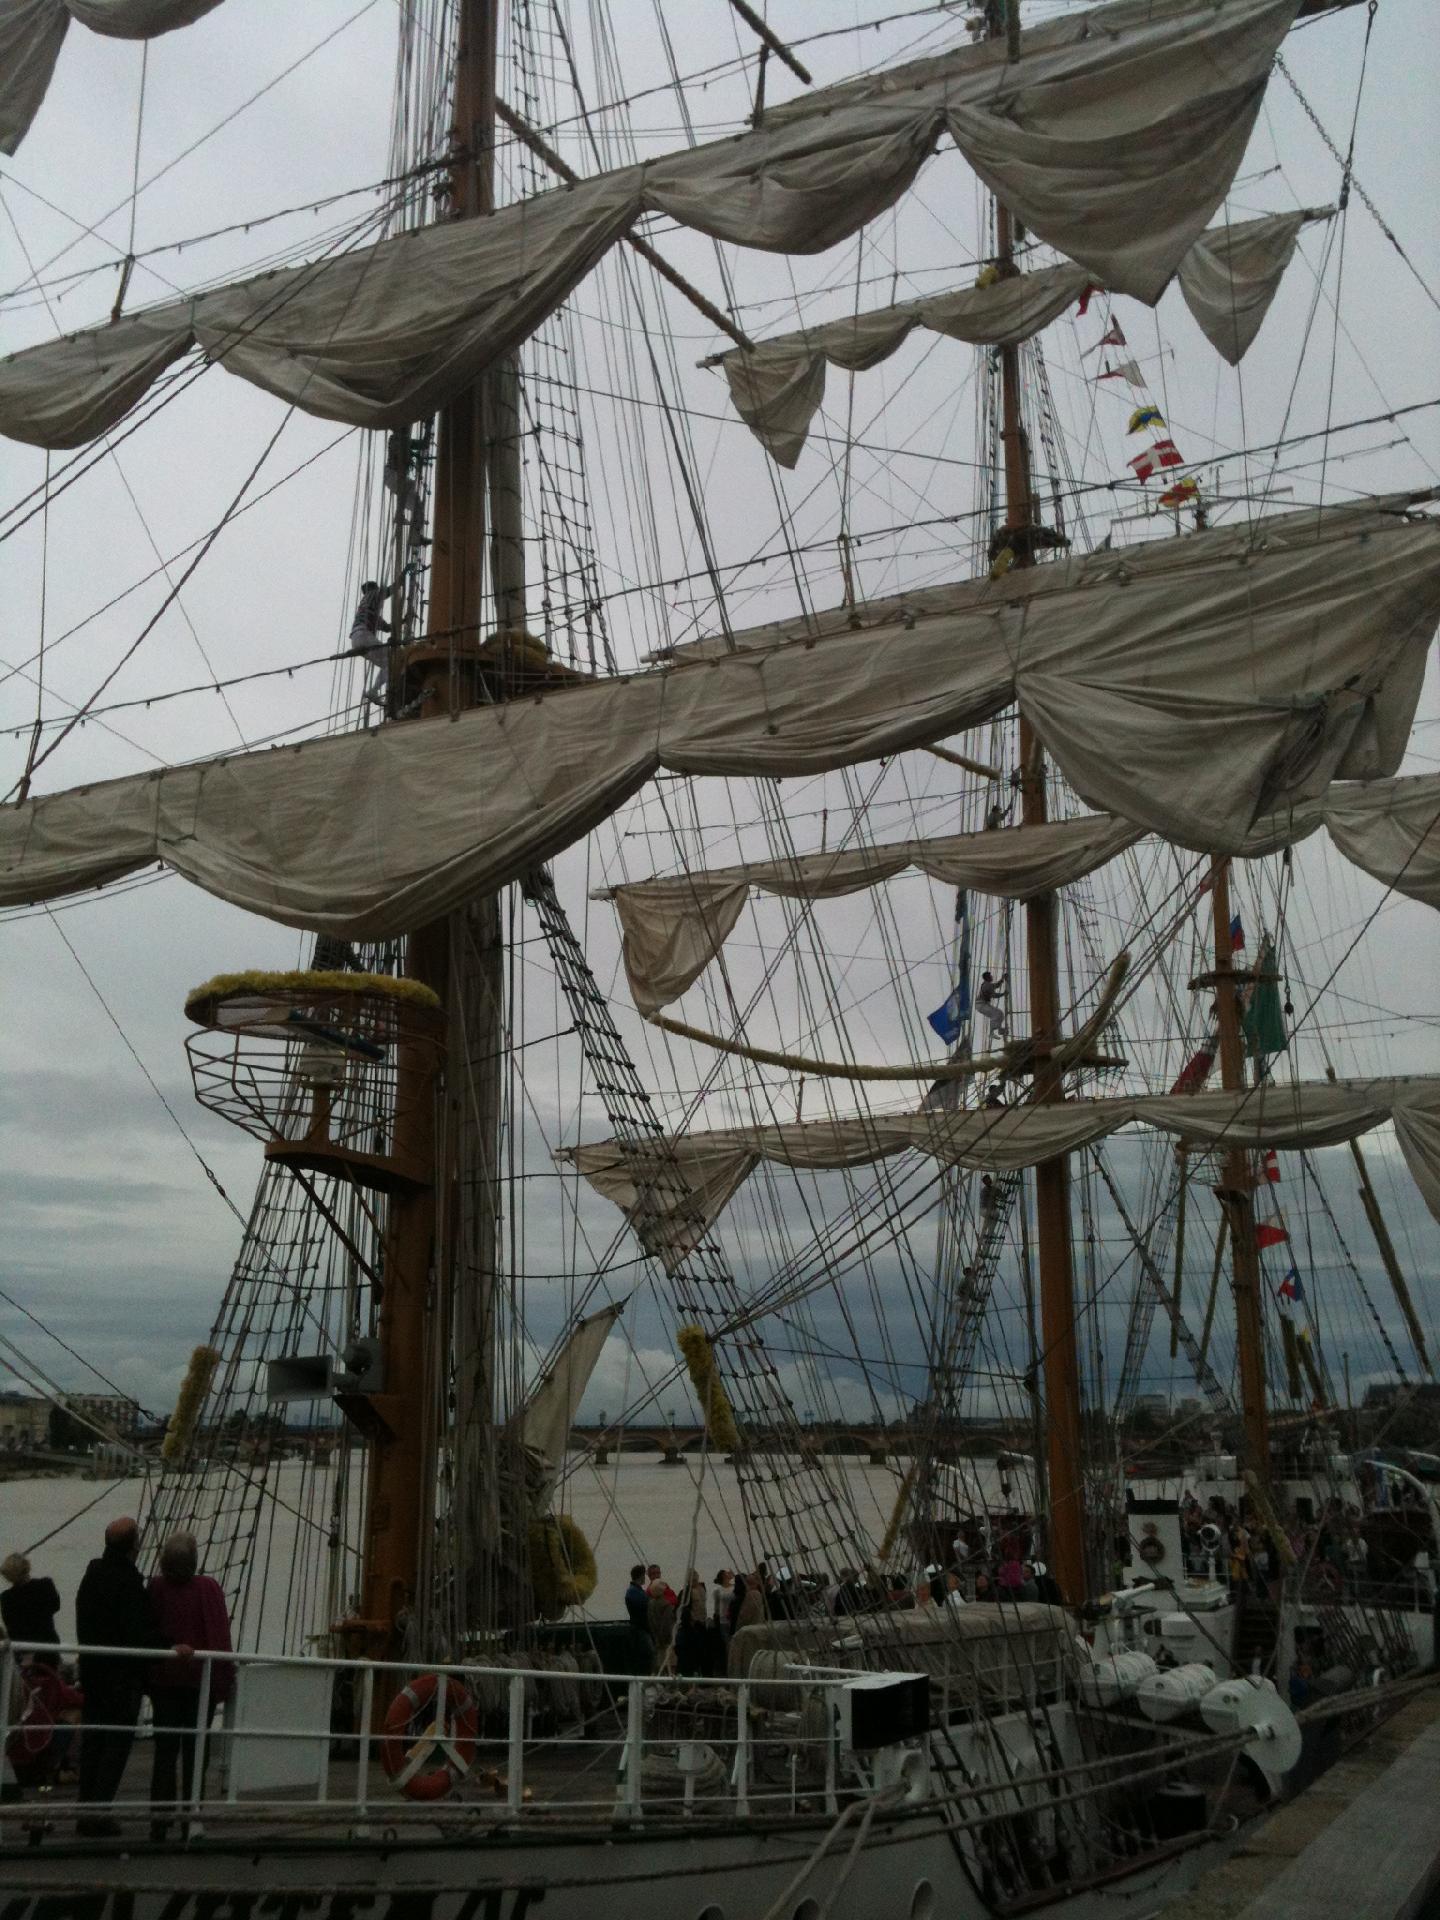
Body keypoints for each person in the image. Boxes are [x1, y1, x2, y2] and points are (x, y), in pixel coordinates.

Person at [75, 1517, 187, 1837]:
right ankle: (98, 1814)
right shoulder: (127, 1583)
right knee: (116, 1745)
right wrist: (168, 1646)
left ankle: (84, 1811)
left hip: (93, 1674)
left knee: (94, 1744)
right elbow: (137, 1633)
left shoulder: (92, 1576)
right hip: (121, 1679)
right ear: (134, 1546)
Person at [147, 1531, 233, 1838]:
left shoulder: (155, 1588)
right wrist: (224, 1679)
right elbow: (220, 1636)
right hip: (199, 1683)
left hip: (165, 1682)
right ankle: (192, 1817)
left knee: (165, 1751)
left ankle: (160, 1820)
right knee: (196, 1751)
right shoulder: (208, 1588)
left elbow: (150, 1628)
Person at [1, 1553, 61, 1669]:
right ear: (27, 1567)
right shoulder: (45, 1585)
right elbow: (55, 1606)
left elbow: (11, 1627)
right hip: (48, 1648)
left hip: (22, 1651)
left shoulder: (6, 1597)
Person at [348, 579, 396, 707]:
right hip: (364, 635)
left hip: (357, 638)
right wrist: (402, 577)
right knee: (393, 660)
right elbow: (389, 590)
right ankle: (376, 691)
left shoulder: (366, 609)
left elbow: (387, 628)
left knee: (388, 663)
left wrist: (401, 621)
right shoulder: (371, 594)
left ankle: (378, 691)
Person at [674, 1569, 708, 1676]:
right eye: (692, 1580)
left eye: (695, 1579)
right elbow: (680, 1609)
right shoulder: (685, 1593)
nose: (694, 1581)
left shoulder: (702, 1589)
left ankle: (699, 1672)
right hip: (692, 1625)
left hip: (702, 1623)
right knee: (693, 1652)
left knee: (702, 1651)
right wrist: (689, 1621)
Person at [975, 970, 1008, 1039]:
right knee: (996, 1014)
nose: (992, 977)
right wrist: (1003, 994)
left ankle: (999, 1029)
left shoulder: (988, 984)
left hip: (983, 1004)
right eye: (990, 976)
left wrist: (1002, 979)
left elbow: (996, 985)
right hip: (981, 1005)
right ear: (988, 977)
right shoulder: (987, 985)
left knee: (1000, 1013)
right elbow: (994, 995)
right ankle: (991, 1033)